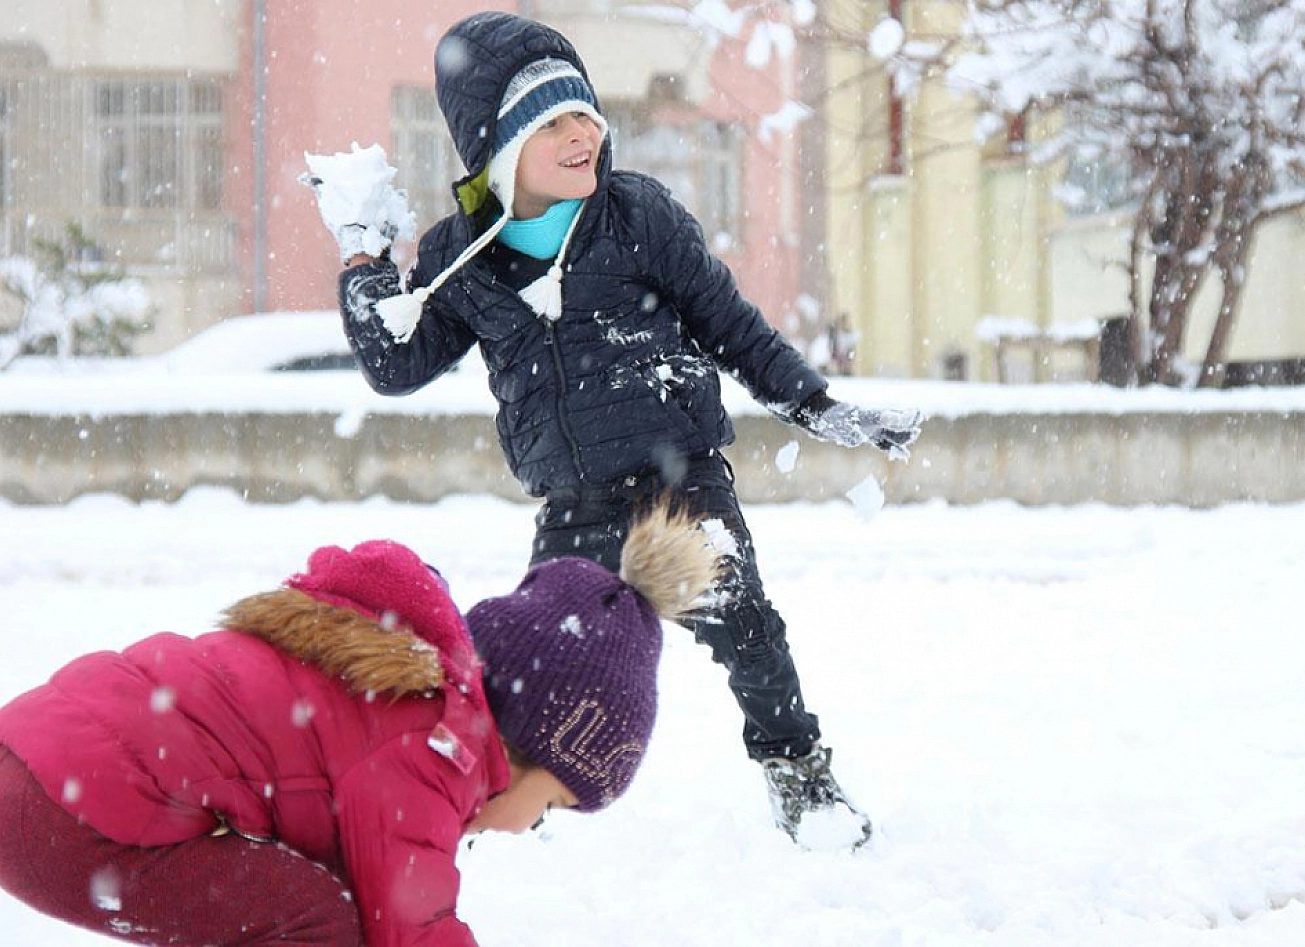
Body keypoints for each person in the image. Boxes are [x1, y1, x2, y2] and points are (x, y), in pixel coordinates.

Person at [310, 10, 921, 848]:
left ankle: (799, 775)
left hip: (679, 482)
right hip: (574, 500)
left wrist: (815, 404)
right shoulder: (463, 255)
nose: (581, 136)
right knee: (527, 666)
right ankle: (497, 794)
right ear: (498, 147)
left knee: (747, 628)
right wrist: (363, 259)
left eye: (586, 115)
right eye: (552, 122)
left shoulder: (636, 216)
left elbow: (729, 324)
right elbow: (396, 364)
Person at [0, 504, 719, 946]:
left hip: (36, 769)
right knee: (314, 919)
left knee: (303, 904)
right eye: (556, 802)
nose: (530, 826)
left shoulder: (411, 701)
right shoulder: (433, 748)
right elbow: (412, 927)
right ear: (528, 741)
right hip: (61, 816)